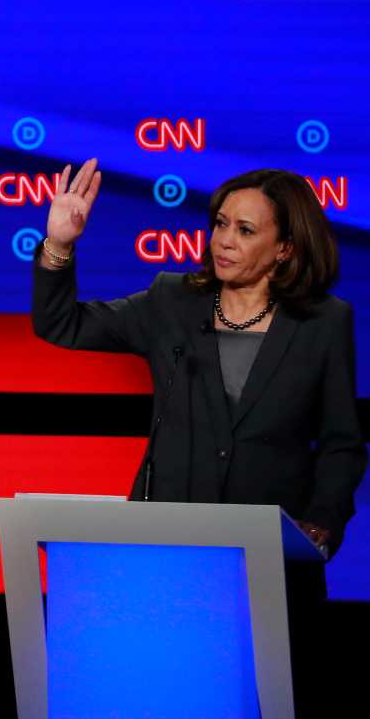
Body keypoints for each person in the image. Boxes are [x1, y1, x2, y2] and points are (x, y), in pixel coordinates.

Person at [33, 160, 364, 716]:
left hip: (269, 568)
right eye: (220, 224)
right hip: (172, 561)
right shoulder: (172, 302)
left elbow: (341, 442)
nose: (223, 241)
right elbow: (61, 325)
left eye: (245, 230)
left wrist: (321, 526)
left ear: (284, 248)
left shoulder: (325, 322)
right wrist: (59, 246)